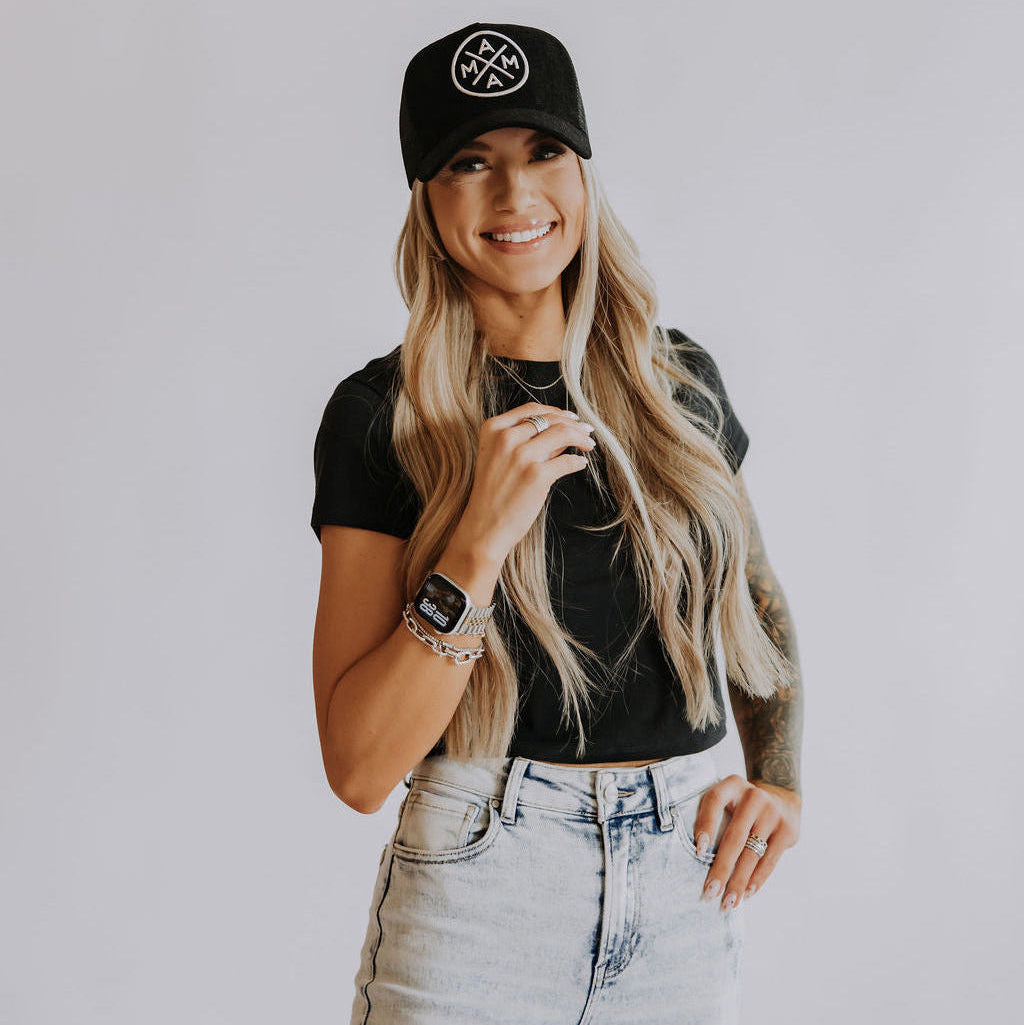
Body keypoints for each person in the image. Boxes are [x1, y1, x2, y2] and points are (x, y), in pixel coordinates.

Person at [310, 20, 804, 1025]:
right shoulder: (382, 417)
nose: (514, 193)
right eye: (469, 162)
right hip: (479, 885)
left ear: (583, 173)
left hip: (684, 880)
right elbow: (359, 767)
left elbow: (753, 604)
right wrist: (475, 542)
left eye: (543, 151)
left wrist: (780, 783)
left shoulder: (680, 386)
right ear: (426, 198)